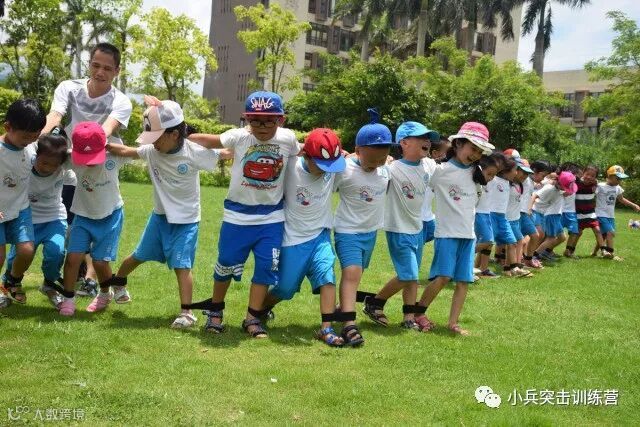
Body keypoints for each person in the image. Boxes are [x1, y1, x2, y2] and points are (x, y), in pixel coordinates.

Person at [104, 98, 227, 327]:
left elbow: (225, 153)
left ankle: (186, 313)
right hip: (159, 218)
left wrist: (250, 142)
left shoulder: (193, 151)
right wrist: (104, 145)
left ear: (174, 134)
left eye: (157, 138)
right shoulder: (152, 151)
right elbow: (128, 151)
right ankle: (119, 282)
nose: (153, 143)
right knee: (138, 256)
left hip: (187, 221)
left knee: (182, 265)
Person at [187, 91, 300, 338]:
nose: (262, 127)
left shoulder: (288, 139)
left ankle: (252, 318)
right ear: (246, 119)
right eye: (255, 120)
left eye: (269, 121)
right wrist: (182, 132)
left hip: (271, 218)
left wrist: (342, 154)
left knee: (266, 267)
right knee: (226, 263)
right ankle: (215, 311)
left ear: (281, 120)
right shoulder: (238, 136)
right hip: (237, 217)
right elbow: (211, 140)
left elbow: (303, 153)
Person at [42, 42, 132, 296]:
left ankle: (90, 278)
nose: (100, 72)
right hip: (70, 164)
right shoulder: (69, 88)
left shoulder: (121, 100)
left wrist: (90, 146)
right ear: (88, 64)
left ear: (117, 71)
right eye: (95, 65)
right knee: (73, 226)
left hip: (100, 162)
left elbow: (107, 129)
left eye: (107, 68)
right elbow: (55, 117)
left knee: (97, 216)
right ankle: (67, 276)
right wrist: (38, 141)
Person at [261, 128, 347, 346]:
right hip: (292, 239)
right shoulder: (290, 167)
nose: (327, 170)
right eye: (321, 164)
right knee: (285, 288)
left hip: (320, 235)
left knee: (327, 277)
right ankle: (261, 308)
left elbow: (355, 160)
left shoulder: (333, 168)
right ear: (306, 156)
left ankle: (326, 329)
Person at [413, 122, 495, 336]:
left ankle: (453, 323)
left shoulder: (476, 173)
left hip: (468, 235)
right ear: (458, 144)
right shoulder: (440, 171)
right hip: (447, 234)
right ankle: (418, 313)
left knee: (463, 281)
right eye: (472, 148)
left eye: (479, 151)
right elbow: (417, 176)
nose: (475, 155)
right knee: (443, 277)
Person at [361, 121, 440, 330]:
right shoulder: (392, 169)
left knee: (412, 277)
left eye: (428, 138)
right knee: (408, 275)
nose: (427, 141)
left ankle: (408, 318)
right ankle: (375, 302)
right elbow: (368, 169)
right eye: (421, 138)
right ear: (404, 143)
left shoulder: (428, 165)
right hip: (398, 228)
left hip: (417, 228)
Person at [57, 122, 130, 316]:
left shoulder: (114, 156)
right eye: (85, 157)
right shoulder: (72, 158)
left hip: (110, 216)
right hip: (82, 215)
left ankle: (105, 294)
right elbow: (51, 156)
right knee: (72, 259)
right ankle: (68, 299)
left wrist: (114, 144)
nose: (89, 162)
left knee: (99, 262)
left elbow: (138, 152)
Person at [332, 109, 392, 346]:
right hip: (347, 230)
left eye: (382, 159)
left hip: (370, 232)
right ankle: (349, 323)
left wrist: (384, 163)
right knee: (352, 273)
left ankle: (342, 308)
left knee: (357, 274)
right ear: (358, 151)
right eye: (372, 160)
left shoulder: (385, 169)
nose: (376, 165)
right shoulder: (344, 169)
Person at [4, 130, 69, 308]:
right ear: (36, 155)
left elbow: (86, 158)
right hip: (26, 217)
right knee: (20, 255)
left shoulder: (65, 165)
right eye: (44, 162)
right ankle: (9, 282)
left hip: (54, 218)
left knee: (56, 251)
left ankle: (49, 284)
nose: (47, 168)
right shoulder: (26, 161)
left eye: (53, 165)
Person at [0, 99, 46, 307]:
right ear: (7, 127)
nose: (30, 141)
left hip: (20, 209)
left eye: (34, 136)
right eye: (25, 137)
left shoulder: (32, 146)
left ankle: (12, 280)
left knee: (27, 250)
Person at [594, 165, 640, 261]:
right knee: (611, 233)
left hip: (611, 216)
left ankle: (594, 253)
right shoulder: (600, 186)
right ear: (609, 176)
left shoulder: (617, 188)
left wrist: (633, 205)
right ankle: (611, 254)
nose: (619, 181)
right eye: (618, 178)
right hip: (600, 214)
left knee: (604, 235)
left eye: (621, 179)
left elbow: (621, 199)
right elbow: (590, 193)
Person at [530, 171, 577, 261]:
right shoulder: (550, 188)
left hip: (555, 215)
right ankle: (535, 256)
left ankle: (544, 253)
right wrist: (529, 208)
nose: (567, 191)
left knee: (562, 237)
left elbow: (562, 193)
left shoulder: (557, 189)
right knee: (551, 238)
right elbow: (535, 195)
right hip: (551, 215)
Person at [473, 153, 504, 278]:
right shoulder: (476, 178)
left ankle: (482, 269)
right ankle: (464, 255)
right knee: (487, 241)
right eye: (489, 174)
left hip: (487, 213)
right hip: (479, 213)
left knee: (489, 243)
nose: (491, 177)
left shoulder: (494, 179)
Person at [573, 165, 610, 258]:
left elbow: (598, 184)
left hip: (590, 213)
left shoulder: (594, 185)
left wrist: (595, 183)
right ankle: (570, 250)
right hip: (579, 213)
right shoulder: (577, 182)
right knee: (578, 233)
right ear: (583, 173)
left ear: (595, 177)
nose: (589, 177)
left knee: (598, 230)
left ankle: (603, 251)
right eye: (587, 174)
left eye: (592, 176)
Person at [559, 162, 583, 259]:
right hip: (559, 211)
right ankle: (548, 250)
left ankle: (568, 251)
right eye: (576, 174)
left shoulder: (576, 183)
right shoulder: (559, 181)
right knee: (555, 233)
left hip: (571, 212)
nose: (577, 177)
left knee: (574, 232)